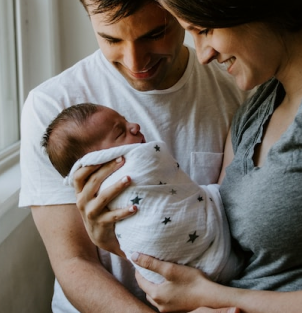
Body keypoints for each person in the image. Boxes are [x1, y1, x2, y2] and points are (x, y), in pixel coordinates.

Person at [111, 0, 302, 311]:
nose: (202, 54)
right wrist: (118, 236)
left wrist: (212, 297)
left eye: (205, 29)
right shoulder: (256, 107)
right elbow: (216, 244)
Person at [18, 0, 246, 312]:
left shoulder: (233, 91)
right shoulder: (53, 108)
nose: (135, 61)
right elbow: (73, 262)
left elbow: (234, 232)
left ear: (180, 5)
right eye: (110, 38)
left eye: (154, 34)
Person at [42, 103, 242, 285]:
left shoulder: (231, 96)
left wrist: (112, 244)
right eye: (120, 131)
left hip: (174, 283)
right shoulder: (47, 102)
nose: (135, 126)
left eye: (125, 120)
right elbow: (72, 263)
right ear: (98, 159)